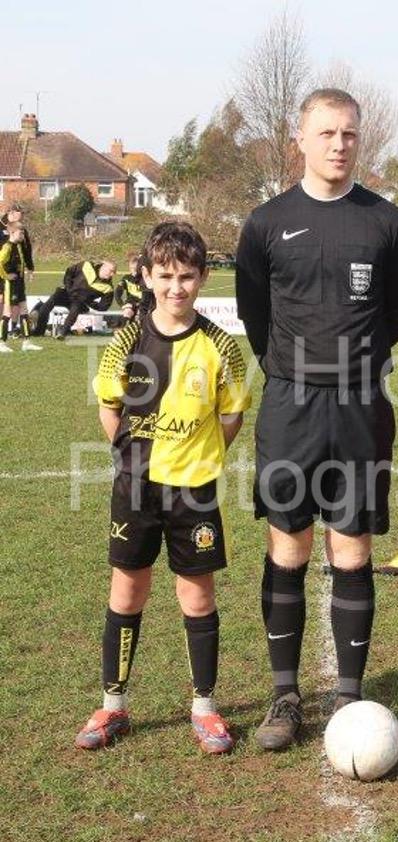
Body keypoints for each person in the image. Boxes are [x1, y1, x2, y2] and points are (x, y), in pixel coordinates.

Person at [235, 88, 398, 750]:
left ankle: (348, 695)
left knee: (353, 547)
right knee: (288, 545)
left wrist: (351, 365)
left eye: (350, 134)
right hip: (290, 404)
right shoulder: (265, 222)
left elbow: (397, 312)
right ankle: (285, 695)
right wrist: (294, 367)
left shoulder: (386, 221)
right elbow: (255, 312)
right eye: (327, 133)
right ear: (301, 138)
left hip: (360, 403)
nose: (339, 144)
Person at [75, 221, 251, 753]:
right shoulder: (126, 341)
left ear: (203, 278)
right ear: (147, 276)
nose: (177, 287)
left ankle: (205, 708)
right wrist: (133, 458)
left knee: (197, 596)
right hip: (136, 488)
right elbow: (110, 409)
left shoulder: (222, 346)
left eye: (187, 276)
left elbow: (231, 417)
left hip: (194, 491)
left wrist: (197, 457)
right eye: (166, 276)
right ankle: (113, 704)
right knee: (127, 591)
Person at [31, 260, 116, 338]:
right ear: (103, 267)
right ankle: (39, 331)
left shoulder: (108, 288)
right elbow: (69, 272)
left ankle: (62, 333)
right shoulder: (86, 265)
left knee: (75, 309)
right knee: (49, 303)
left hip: (79, 302)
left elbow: (103, 307)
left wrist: (88, 301)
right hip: (67, 293)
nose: (112, 274)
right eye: (111, 271)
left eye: (114, 272)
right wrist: (68, 288)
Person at [0, 221, 42, 352]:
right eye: (20, 233)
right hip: (10, 285)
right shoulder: (7, 247)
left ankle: (26, 342)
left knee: (24, 311)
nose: (23, 235)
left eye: (23, 233)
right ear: (12, 232)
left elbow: (23, 261)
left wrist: (28, 272)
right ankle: (2, 343)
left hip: (19, 283)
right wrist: (6, 276)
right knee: (7, 313)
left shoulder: (19, 245)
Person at [114, 252, 144, 323]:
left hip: (143, 303)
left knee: (140, 315)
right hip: (131, 303)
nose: (134, 271)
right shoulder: (126, 278)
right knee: (127, 312)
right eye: (131, 268)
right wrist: (122, 304)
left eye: (136, 269)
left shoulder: (145, 278)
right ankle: (123, 326)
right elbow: (117, 292)